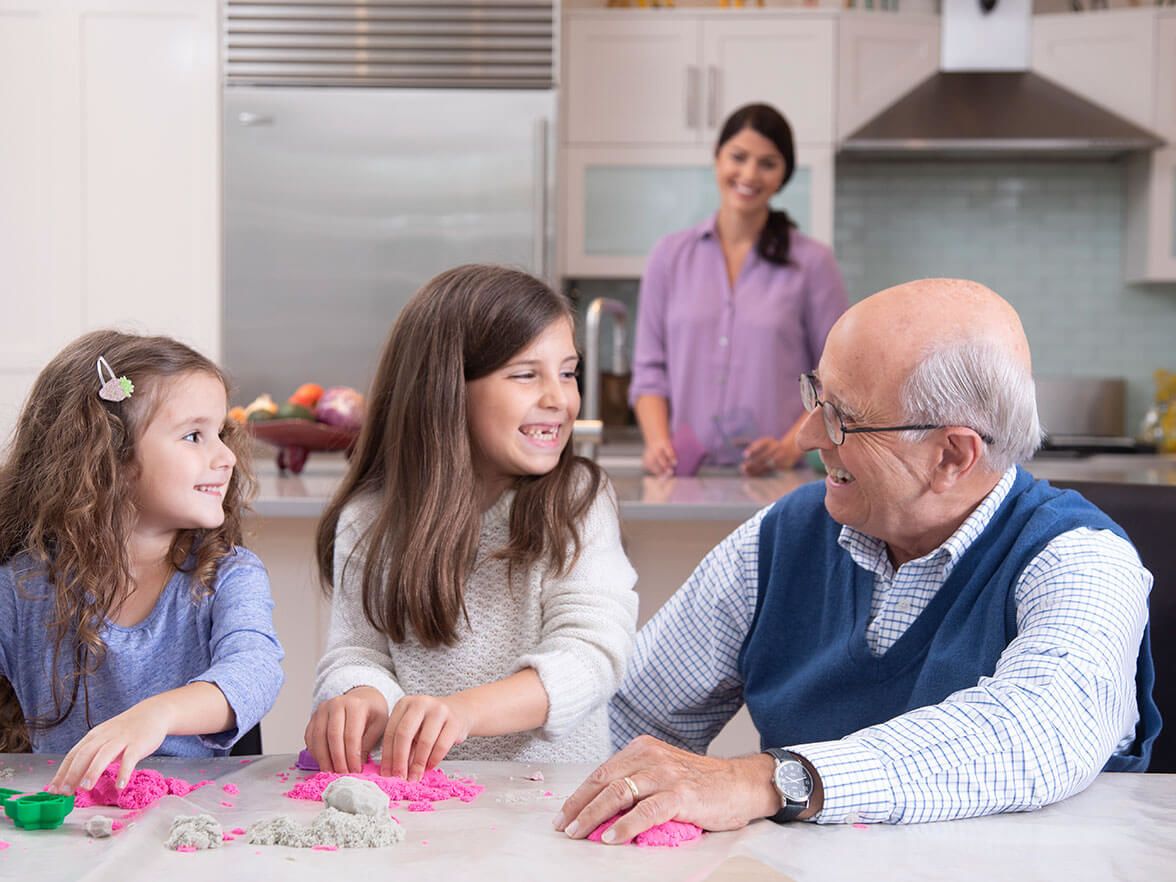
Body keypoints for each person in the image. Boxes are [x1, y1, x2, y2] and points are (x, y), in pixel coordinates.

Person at [556, 278, 1160, 842]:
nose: (808, 437)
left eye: (843, 417)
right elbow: (629, 711)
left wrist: (771, 780)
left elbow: (1039, 729)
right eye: (816, 397)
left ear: (952, 454)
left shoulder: (1082, 560)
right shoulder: (782, 536)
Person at [305, 264, 639, 780]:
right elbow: (357, 653)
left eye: (568, 372)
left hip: (552, 804)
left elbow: (591, 655)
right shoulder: (369, 519)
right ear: (446, 389)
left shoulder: (577, 501)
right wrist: (360, 694)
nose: (559, 398)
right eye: (527, 374)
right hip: (420, 806)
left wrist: (464, 712)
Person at [0, 330, 284, 793]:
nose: (227, 456)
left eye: (221, 434)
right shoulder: (24, 588)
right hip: (68, 833)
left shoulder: (229, 575)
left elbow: (255, 672)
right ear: (108, 456)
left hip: (194, 826)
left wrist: (158, 714)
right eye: (195, 436)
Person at [629, 103, 849, 477]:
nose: (749, 173)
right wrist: (656, 442)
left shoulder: (813, 263)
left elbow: (837, 378)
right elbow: (650, 370)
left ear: (783, 175)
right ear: (717, 158)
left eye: (768, 163)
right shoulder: (669, 256)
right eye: (738, 157)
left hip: (776, 480)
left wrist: (787, 447)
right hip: (685, 477)